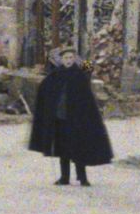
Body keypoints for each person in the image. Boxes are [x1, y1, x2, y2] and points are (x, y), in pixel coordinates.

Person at [28, 48, 113, 186]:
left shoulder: (80, 74)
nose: (68, 60)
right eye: (66, 58)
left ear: (74, 59)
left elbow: (89, 68)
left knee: (79, 148)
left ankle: (83, 178)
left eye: (71, 58)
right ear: (61, 60)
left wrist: (87, 57)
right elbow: (44, 88)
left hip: (77, 119)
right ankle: (64, 177)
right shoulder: (56, 74)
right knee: (62, 149)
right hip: (60, 118)